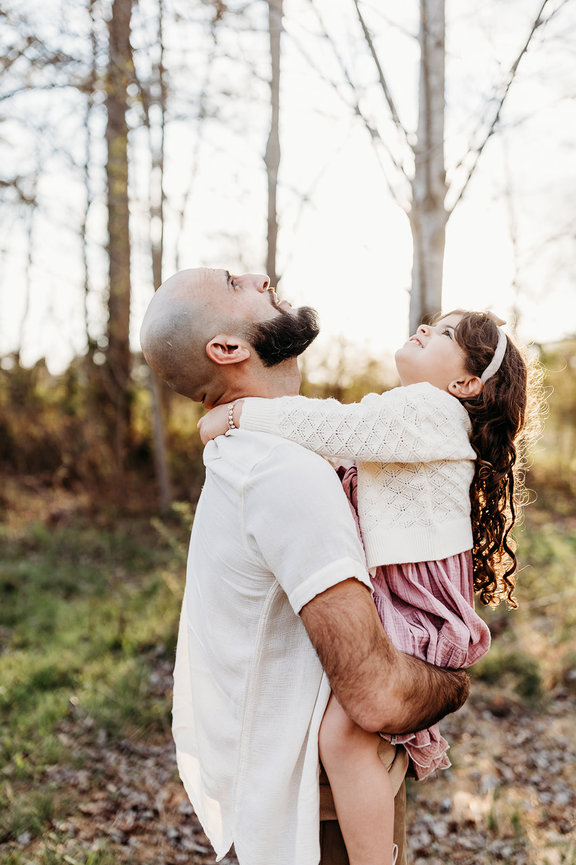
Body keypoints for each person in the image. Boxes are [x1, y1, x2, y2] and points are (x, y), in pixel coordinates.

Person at [140, 267, 471, 865]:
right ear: (228, 349)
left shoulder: (243, 455)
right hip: (314, 828)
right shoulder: (282, 472)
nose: (259, 276)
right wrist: (455, 680)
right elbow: (378, 698)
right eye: (235, 284)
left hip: (272, 803)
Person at [198, 308, 534, 865]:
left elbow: (334, 428)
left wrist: (239, 415)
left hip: (415, 599)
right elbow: (342, 447)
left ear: (466, 384)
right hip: (400, 593)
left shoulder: (432, 410)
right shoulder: (415, 419)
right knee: (347, 736)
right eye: (431, 322)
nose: (426, 328)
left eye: (444, 333)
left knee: (345, 738)